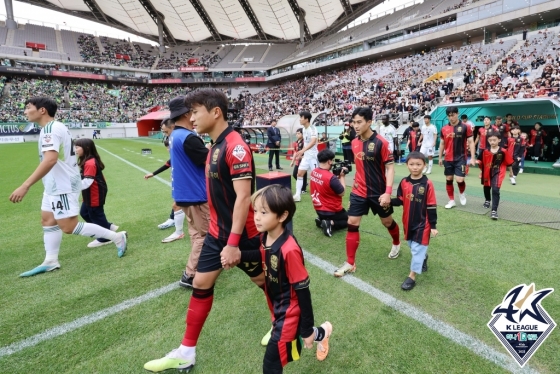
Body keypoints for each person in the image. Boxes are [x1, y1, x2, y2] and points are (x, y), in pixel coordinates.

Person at [144, 89, 266, 373]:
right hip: (216, 233)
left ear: (216, 112)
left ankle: (288, 324)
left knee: (264, 282)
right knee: (200, 283)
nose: (191, 118)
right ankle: (186, 352)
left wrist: (233, 243)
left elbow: (244, 199)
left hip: (242, 236)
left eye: (195, 112)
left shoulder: (235, 147)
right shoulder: (213, 146)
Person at [9, 97, 127, 277]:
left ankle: (117, 237)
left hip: (62, 185)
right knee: (48, 220)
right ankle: (51, 260)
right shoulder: (52, 128)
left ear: (42, 110)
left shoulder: (50, 129)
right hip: (53, 184)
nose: (25, 111)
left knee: (68, 227)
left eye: (28, 107)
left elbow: (50, 160)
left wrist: (25, 185)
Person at [228, 185, 333, 373]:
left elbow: (303, 292)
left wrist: (307, 329)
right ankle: (322, 333)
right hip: (276, 304)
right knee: (293, 340)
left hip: (289, 312)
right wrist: (238, 256)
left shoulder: (289, 249)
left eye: (264, 212)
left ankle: (315, 332)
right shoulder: (265, 236)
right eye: (256, 211)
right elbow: (261, 255)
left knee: (271, 364)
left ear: (282, 216)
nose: (256, 217)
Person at [334, 107, 400, 278]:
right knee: (352, 222)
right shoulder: (354, 142)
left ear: (369, 122)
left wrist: (387, 193)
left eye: (359, 122)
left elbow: (390, 168)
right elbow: (360, 169)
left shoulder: (381, 142)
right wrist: (354, 188)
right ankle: (350, 263)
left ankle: (396, 243)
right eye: (353, 122)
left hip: (378, 193)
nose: (355, 125)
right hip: (359, 191)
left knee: (387, 222)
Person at [167, 95, 210, 288]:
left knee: (195, 233)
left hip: (184, 194)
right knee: (205, 234)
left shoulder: (174, 135)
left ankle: (198, 266)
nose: (194, 116)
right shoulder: (188, 137)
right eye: (192, 112)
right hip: (195, 194)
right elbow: (209, 161)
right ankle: (190, 274)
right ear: (185, 115)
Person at [390, 152, 438, 291]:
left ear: (424, 165)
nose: (415, 167)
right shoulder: (404, 182)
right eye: (412, 164)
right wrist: (388, 202)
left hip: (423, 224)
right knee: (413, 246)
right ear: (407, 165)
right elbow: (400, 200)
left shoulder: (428, 184)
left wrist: (433, 226)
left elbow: (431, 205)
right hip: (408, 222)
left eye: (418, 164)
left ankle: (412, 277)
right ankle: (423, 257)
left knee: (417, 250)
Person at [144, 119, 185, 242]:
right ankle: (176, 226)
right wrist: (153, 174)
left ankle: (178, 229)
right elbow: (167, 164)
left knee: (180, 205)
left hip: (188, 185)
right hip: (180, 184)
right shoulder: (175, 153)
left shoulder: (181, 147)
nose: (168, 149)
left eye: (168, 147)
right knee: (178, 205)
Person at [74, 138, 119, 248]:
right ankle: (106, 227)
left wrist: (70, 186)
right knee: (84, 212)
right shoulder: (86, 160)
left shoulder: (90, 163)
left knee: (95, 214)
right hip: (90, 191)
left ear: (86, 148)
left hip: (95, 192)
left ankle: (105, 238)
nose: (75, 150)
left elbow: (87, 182)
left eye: (77, 147)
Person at [438, 106, 476, 209]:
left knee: (460, 180)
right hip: (448, 159)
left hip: (461, 158)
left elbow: (471, 142)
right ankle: (451, 200)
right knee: (449, 179)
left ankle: (461, 193)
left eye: (453, 115)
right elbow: (442, 144)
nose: (451, 117)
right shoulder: (444, 128)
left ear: (457, 114)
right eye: (449, 116)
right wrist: (440, 157)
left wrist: (472, 157)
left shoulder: (466, 127)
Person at [310, 149, 349, 237]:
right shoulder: (331, 178)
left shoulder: (313, 172)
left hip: (318, 209)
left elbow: (326, 183)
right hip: (331, 210)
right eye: (332, 160)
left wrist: (336, 178)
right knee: (350, 220)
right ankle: (330, 223)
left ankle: (321, 220)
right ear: (329, 161)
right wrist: (342, 177)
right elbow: (342, 192)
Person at [477, 131, 513, 220]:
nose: (492, 142)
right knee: (486, 187)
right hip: (486, 172)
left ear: (499, 140)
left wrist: (511, 172)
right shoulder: (485, 151)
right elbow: (481, 162)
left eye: (494, 140)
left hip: (498, 172)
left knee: (496, 189)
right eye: (490, 140)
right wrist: (481, 172)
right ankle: (487, 200)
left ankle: (494, 210)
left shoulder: (503, 151)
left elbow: (509, 163)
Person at [293, 111, 318, 202]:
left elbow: (313, 142)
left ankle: (319, 195)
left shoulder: (313, 128)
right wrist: (301, 153)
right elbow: (306, 143)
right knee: (299, 174)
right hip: (306, 157)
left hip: (313, 157)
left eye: (301, 118)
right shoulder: (303, 129)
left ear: (306, 119)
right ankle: (297, 195)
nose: (300, 119)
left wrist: (303, 150)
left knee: (317, 177)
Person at [290, 129, 307, 194]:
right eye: (296, 133)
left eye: (299, 133)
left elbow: (306, 152)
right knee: (294, 174)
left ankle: (303, 189)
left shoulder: (305, 142)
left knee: (303, 174)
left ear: (302, 134)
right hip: (298, 161)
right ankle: (303, 184)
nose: (297, 135)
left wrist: (302, 157)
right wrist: (292, 161)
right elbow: (295, 152)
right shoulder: (296, 142)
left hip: (304, 161)